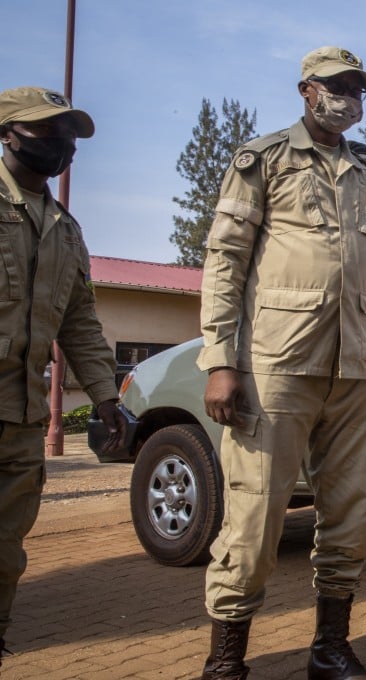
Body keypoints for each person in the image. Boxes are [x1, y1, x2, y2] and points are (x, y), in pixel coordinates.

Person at [197, 46, 366, 680]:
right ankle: (226, 661)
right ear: (306, 91)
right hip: (278, 365)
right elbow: (225, 261)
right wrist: (219, 359)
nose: (350, 96)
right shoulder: (263, 160)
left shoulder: (365, 178)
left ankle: (329, 647)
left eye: (358, 88)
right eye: (338, 86)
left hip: (357, 369)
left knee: (349, 514)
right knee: (256, 515)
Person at [0, 86, 126, 669]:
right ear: (8, 134)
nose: (61, 145)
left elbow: (79, 322)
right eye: (47, 131)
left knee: (5, 554)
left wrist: (104, 396)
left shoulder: (66, 230)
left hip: (20, 421)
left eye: (68, 135)